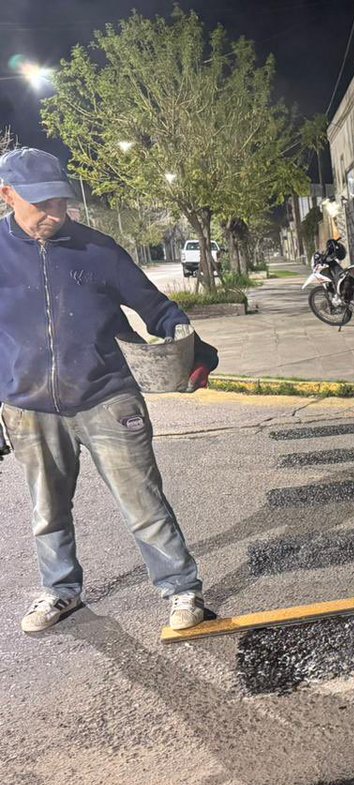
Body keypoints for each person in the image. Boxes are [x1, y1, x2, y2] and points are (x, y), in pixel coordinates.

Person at [0, 147, 219, 633]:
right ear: (7, 194)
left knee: (143, 502)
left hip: (108, 397)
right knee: (47, 509)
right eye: (41, 205)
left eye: (59, 201)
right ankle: (61, 592)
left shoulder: (97, 249)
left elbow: (158, 308)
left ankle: (182, 590)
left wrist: (188, 344)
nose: (54, 214)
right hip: (29, 407)